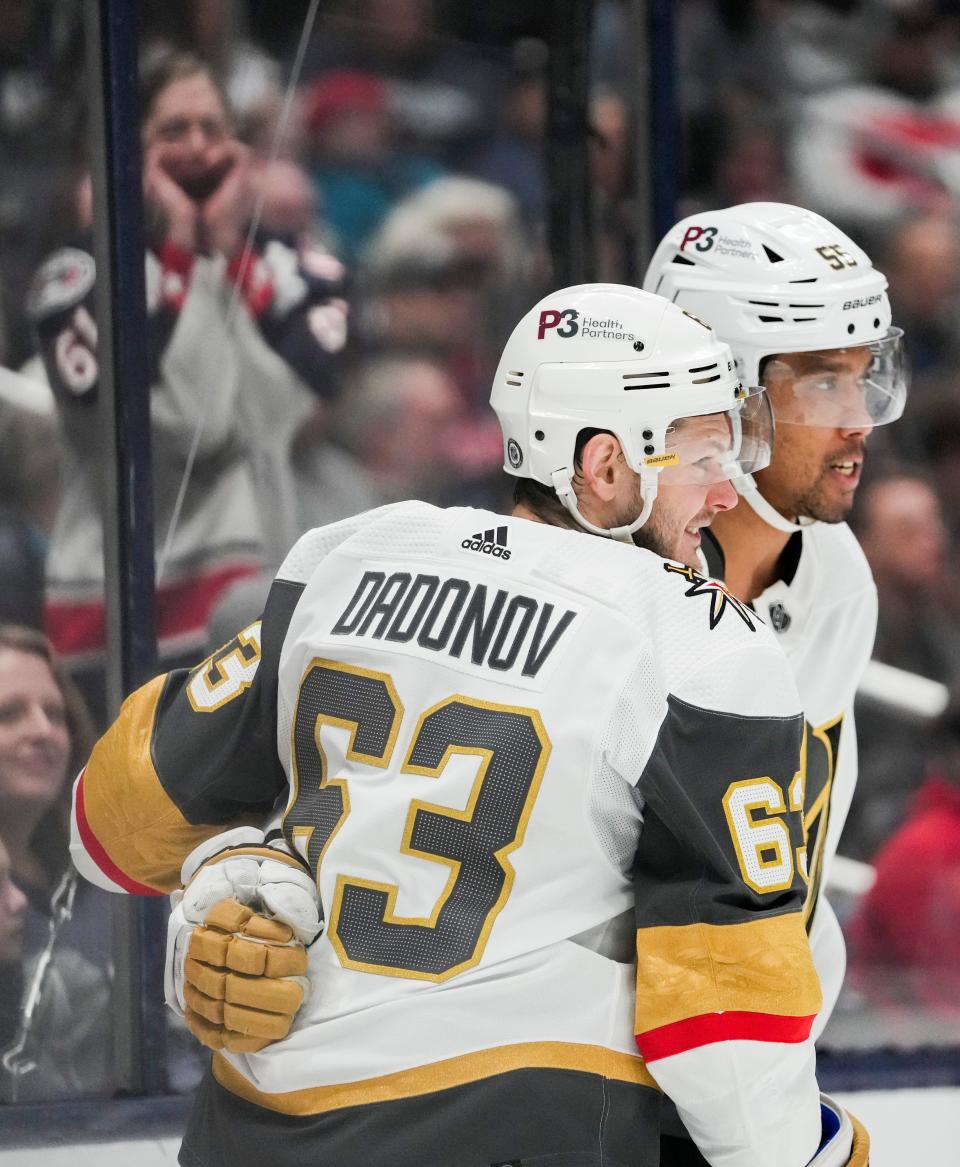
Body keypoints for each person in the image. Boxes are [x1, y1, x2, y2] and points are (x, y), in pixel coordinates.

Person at [71, 285, 866, 1167]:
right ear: (604, 469)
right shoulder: (695, 637)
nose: (727, 489)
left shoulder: (349, 557)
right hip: (518, 1130)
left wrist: (230, 866)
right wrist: (808, 1154)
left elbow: (105, 827)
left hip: (251, 1136)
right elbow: (726, 1018)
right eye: (702, 452)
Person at [644, 202, 907, 1162]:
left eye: (866, 374)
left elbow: (778, 897)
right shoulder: (598, 576)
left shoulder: (835, 580)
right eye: (822, 384)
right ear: (722, 393)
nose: (859, 422)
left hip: (713, 1079)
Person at [27, 51, 349, 724]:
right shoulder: (77, 278)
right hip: (115, 613)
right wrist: (180, 248)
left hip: (249, 601)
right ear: (124, 148)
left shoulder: (298, 269)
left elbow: (272, 416)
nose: (198, 148)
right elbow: (193, 428)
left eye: (213, 127)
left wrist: (219, 253)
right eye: (173, 131)